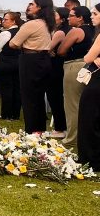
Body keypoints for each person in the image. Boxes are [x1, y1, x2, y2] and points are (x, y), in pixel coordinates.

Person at [9, 0, 54, 133]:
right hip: (44, 59)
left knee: (29, 96)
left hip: (31, 59)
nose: (29, 6)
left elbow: (13, 43)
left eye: (32, 4)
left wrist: (22, 44)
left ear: (39, 7)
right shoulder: (48, 23)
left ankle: (32, 130)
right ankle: (39, 129)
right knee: (38, 96)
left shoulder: (32, 24)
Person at [58, 6, 93, 150]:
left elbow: (61, 50)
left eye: (72, 15)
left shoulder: (77, 31)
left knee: (72, 105)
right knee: (87, 105)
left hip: (75, 66)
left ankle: (71, 140)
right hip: (91, 67)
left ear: (80, 18)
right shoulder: (94, 31)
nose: (68, 18)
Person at [77, 3, 100, 169]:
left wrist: (93, 57)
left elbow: (87, 58)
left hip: (97, 81)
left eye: (95, 13)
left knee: (90, 119)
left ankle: (91, 158)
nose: (91, 16)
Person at [44, 7, 70, 137]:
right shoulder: (68, 30)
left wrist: (49, 51)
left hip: (56, 67)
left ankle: (60, 128)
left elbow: (47, 48)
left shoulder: (60, 32)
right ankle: (62, 126)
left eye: (55, 14)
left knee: (55, 97)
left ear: (62, 18)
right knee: (58, 97)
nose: (53, 16)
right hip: (61, 66)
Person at [0, 12, 22, 120]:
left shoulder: (5, 33)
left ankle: (6, 114)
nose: (3, 21)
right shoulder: (20, 31)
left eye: (6, 19)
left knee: (6, 89)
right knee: (16, 89)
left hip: (5, 62)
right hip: (18, 62)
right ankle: (15, 114)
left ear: (13, 21)